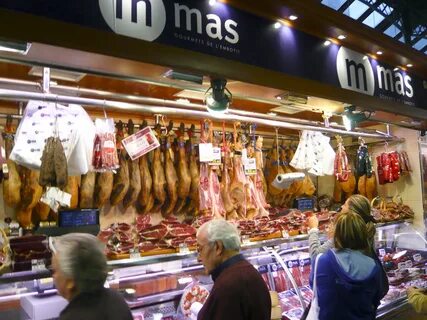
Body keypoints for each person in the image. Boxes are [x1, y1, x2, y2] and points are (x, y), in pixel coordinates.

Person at [308, 194, 389, 298]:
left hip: (343, 301)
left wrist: (313, 229)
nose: (341, 207)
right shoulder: (367, 231)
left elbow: (315, 256)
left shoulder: (345, 235)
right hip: (363, 301)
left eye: (345, 204)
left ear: (351, 212)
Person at [310, 212, 382, 320]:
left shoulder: (322, 261)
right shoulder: (373, 265)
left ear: (335, 234)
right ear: (362, 234)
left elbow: (315, 287)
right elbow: (376, 298)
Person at [196, 219, 271, 320]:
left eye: (200, 249)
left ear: (218, 247)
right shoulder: (249, 272)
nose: (198, 258)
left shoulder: (228, 285)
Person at [50, 233, 133, 320]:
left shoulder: (72, 317)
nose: (54, 276)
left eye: (55, 271)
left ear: (70, 282)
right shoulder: (116, 299)